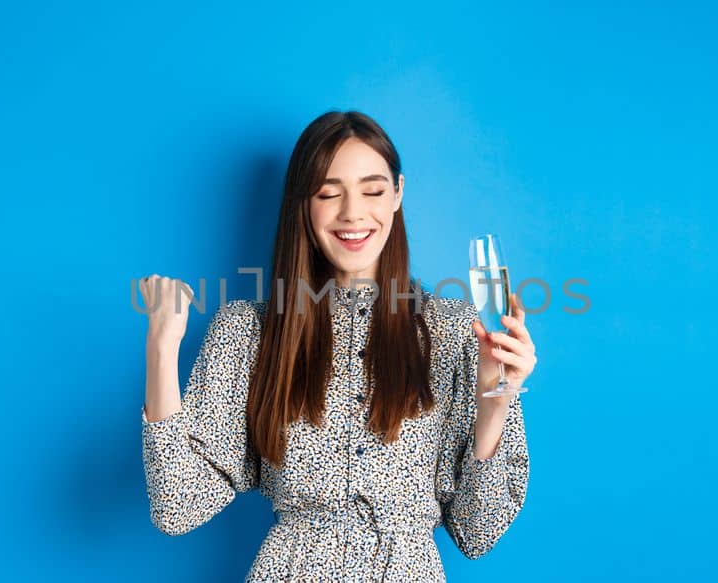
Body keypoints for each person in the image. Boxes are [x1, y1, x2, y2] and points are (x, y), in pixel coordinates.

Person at [137, 110, 536, 581]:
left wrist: (496, 401)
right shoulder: (248, 332)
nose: (352, 212)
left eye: (372, 190)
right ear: (303, 203)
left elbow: (478, 532)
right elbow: (177, 506)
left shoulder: (455, 332)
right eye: (329, 192)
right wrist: (162, 349)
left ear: (398, 195)